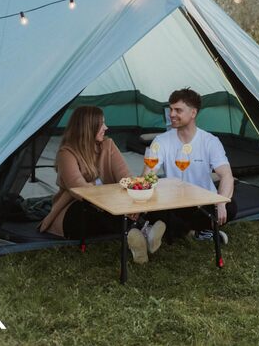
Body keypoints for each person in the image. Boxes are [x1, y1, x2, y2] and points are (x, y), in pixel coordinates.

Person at [39, 106, 166, 263]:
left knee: (143, 198)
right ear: (88, 127)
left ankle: (138, 234)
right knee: (92, 208)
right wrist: (117, 204)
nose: (106, 128)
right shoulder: (66, 153)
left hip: (110, 204)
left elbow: (125, 177)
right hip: (76, 210)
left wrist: (134, 204)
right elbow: (79, 189)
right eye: (101, 124)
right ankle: (141, 232)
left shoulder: (108, 145)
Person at [144, 88, 237, 243]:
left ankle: (178, 231)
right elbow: (148, 176)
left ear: (193, 113)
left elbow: (226, 175)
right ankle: (196, 232)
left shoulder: (210, 141)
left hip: (202, 204)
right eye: (171, 109)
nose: (171, 114)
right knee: (151, 209)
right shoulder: (161, 141)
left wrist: (221, 202)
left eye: (178, 110)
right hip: (173, 203)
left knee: (230, 206)